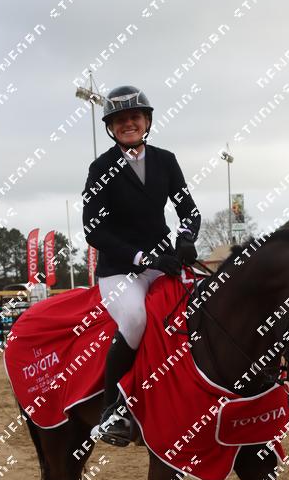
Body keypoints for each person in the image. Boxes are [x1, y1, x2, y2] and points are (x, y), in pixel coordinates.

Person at [82, 85, 201, 446]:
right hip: (120, 268)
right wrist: (143, 258)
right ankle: (112, 411)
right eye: (120, 120)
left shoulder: (166, 160)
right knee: (135, 319)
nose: (128, 124)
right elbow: (93, 229)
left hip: (164, 260)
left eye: (134, 117)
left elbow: (188, 210)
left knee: (202, 306)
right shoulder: (101, 168)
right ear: (111, 128)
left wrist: (185, 238)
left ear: (147, 121)